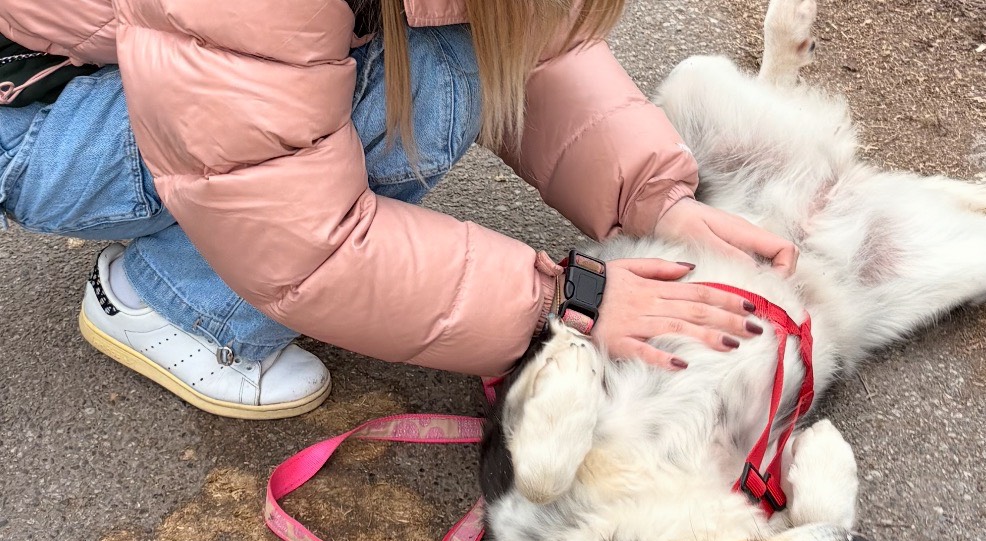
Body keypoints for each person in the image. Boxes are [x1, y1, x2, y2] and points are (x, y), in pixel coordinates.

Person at [0, 0, 798, 419]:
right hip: (32, 126)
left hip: (129, 75)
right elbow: (301, 234)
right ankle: (176, 305)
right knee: (434, 84)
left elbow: (525, 36)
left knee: (450, 53)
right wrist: (567, 296)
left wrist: (653, 199)